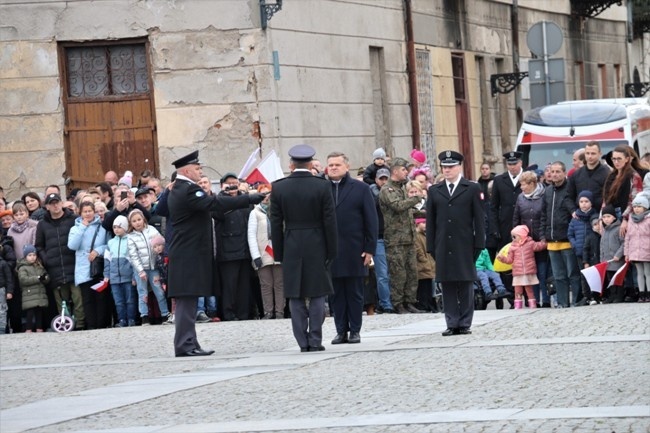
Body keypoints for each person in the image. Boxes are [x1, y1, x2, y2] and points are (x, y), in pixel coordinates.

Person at [167, 150, 264, 357]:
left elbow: (162, 210)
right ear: (186, 170)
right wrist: (249, 198)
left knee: (190, 301)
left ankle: (190, 342)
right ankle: (184, 344)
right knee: (186, 301)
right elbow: (215, 203)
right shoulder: (188, 190)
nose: (200, 172)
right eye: (197, 168)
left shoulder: (179, 189)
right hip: (188, 254)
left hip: (186, 253)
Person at [270, 144, 338, 352]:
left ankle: (302, 341)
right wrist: (331, 250)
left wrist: (279, 252)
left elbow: (275, 223)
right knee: (317, 293)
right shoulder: (322, 186)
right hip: (316, 242)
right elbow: (330, 221)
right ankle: (315, 340)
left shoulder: (279, 187)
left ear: (291, 164)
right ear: (310, 164)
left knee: (295, 294)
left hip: (291, 242)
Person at [426, 150, 485, 336]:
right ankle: (452, 322)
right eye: (444, 167)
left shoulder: (472, 188)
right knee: (447, 283)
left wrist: (479, 243)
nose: (447, 170)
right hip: (443, 243)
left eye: (451, 167)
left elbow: (479, 219)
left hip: (465, 242)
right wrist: (431, 245)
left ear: (459, 167)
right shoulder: (435, 190)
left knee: (465, 282)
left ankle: (465, 322)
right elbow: (431, 220)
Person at [327, 151, 377, 344]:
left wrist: (370, 248)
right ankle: (341, 330)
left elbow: (370, 220)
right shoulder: (323, 188)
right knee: (336, 294)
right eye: (330, 165)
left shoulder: (361, 188)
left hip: (356, 249)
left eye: (337, 165)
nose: (333, 168)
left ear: (347, 167)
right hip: (331, 251)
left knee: (355, 293)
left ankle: (355, 330)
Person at [379, 158, 423, 314]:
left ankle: (410, 301)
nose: (407, 172)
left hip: (409, 238)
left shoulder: (403, 188)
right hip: (395, 239)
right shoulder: (387, 190)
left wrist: (424, 211)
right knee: (398, 273)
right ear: (395, 171)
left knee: (412, 272)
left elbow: (408, 211)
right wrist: (416, 199)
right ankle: (398, 303)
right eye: (404, 170)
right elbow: (397, 206)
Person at [35, 193, 85, 330]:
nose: (55, 205)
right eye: (52, 203)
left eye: (57, 202)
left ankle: (80, 325)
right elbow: (39, 246)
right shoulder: (42, 224)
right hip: (54, 268)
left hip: (74, 266)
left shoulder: (73, 219)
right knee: (61, 300)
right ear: (47, 207)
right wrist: (46, 259)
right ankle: (65, 324)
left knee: (77, 298)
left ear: (62, 203)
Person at [214, 172, 254, 321]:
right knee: (229, 286)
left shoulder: (245, 200)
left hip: (244, 249)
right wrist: (224, 194)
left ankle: (244, 314)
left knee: (244, 285)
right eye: (228, 184)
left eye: (234, 183)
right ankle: (229, 314)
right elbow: (216, 214)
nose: (232, 186)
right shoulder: (218, 201)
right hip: (228, 251)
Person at [541, 161, 580, 308]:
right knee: (558, 275)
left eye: (558, 171)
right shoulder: (548, 191)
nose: (555, 174)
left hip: (567, 238)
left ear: (564, 173)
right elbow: (543, 214)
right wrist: (544, 233)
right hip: (551, 239)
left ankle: (576, 300)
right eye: (552, 171)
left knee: (572, 273)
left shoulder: (569, 189)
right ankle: (563, 302)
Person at [67, 201, 110, 329]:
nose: (87, 214)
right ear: (80, 213)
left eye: (90, 211)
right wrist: (82, 227)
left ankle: (102, 325)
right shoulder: (75, 228)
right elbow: (72, 245)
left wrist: (98, 251)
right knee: (87, 299)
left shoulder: (102, 227)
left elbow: (109, 244)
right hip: (83, 268)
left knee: (101, 298)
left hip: (98, 267)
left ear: (94, 212)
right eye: (85, 212)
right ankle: (91, 325)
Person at [126, 209, 170, 326]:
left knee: (159, 291)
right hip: (141, 270)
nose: (137, 223)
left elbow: (161, 241)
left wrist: (159, 252)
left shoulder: (152, 230)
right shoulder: (130, 237)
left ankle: (165, 314)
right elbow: (133, 255)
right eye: (134, 221)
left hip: (154, 267)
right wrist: (140, 271)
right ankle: (144, 316)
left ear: (143, 219)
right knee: (143, 293)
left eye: (139, 219)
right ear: (131, 223)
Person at [512, 170, 549, 307]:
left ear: (533, 183)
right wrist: (515, 237)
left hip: (540, 238)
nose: (522, 188)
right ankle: (534, 301)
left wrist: (544, 236)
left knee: (542, 271)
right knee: (529, 272)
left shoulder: (543, 195)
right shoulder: (520, 198)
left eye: (524, 184)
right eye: (521, 184)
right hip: (525, 241)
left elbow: (545, 216)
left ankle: (545, 299)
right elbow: (516, 218)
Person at [248, 184, 284, 319]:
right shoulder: (254, 212)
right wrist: (255, 255)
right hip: (263, 253)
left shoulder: (278, 210)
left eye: (268, 193)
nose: (266, 196)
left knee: (279, 284)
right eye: (262, 193)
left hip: (278, 252)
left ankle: (280, 311)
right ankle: (268, 311)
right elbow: (251, 235)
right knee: (266, 284)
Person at [490, 151, 524, 294]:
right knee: (507, 261)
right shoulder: (499, 180)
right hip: (505, 227)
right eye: (509, 164)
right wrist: (495, 228)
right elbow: (493, 207)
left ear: (520, 163)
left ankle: (529, 296)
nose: (512, 167)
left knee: (525, 260)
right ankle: (511, 295)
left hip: (524, 227)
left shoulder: (527, 177)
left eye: (514, 164)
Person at [602, 145, 649, 237]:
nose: (616, 162)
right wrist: (602, 217)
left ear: (627, 159)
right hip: (609, 216)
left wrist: (625, 219)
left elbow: (635, 200)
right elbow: (605, 199)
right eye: (614, 159)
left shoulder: (634, 176)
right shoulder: (611, 176)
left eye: (619, 159)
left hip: (625, 216)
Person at [497, 225, 547, 309]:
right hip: (517, 273)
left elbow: (539, 246)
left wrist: (545, 243)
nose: (512, 238)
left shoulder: (530, 243)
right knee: (518, 290)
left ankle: (532, 304)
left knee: (529, 289)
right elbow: (509, 260)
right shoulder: (512, 247)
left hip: (528, 271)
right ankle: (518, 305)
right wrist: (502, 258)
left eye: (514, 236)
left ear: (521, 236)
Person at [103, 215, 136, 327]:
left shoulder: (130, 240)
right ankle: (122, 319)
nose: (116, 229)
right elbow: (107, 260)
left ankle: (131, 319)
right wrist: (106, 274)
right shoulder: (111, 243)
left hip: (128, 276)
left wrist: (134, 276)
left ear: (125, 228)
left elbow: (134, 260)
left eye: (119, 227)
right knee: (118, 302)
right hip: (114, 278)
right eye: (114, 227)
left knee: (130, 300)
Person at [369, 167, 393, 313]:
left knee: (393, 273)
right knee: (382, 274)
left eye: (386, 179)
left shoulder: (393, 192)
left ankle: (394, 301)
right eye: (381, 179)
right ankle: (386, 304)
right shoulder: (372, 192)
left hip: (392, 237)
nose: (384, 182)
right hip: (378, 237)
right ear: (376, 180)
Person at [567, 191, 597, 306]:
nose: (584, 204)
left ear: (591, 203)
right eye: (581, 202)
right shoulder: (575, 218)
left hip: (592, 252)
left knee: (594, 274)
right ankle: (586, 296)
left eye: (586, 201)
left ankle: (595, 295)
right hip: (580, 251)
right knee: (583, 275)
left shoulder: (594, 216)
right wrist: (574, 245)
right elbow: (570, 234)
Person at [567, 141, 610, 211]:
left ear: (600, 154)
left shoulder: (607, 173)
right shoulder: (576, 174)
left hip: (600, 215)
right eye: (587, 153)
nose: (590, 156)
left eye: (593, 153)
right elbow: (568, 197)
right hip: (580, 216)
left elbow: (611, 196)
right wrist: (573, 211)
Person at [16, 244, 49, 332]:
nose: (32, 257)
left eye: (34, 255)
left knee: (39, 311)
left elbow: (46, 278)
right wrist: (38, 278)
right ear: (25, 256)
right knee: (30, 312)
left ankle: (39, 328)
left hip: (39, 293)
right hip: (29, 294)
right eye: (30, 255)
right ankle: (28, 329)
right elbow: (23, 280)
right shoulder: (22, 267)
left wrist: (45, 278)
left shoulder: (39, 266)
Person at [625, 195, 650, 302]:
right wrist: (627, 253)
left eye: (639, 206)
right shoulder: (631, 220)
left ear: (645, 207)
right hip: (635, 251)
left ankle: (648, 293)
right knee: (639, 272)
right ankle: (641, 293)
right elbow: (627, 237)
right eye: (635, 206)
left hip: (647, 250)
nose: (636, 208)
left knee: (647, 272)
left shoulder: (648, 219)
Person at [600, 205, 626, 303]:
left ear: (614, 217)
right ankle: (612, 295)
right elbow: (602, 246)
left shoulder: (619, 229)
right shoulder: (605, 231)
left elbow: (624, 243)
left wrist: (618, 255)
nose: (606, 219)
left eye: (608, 216)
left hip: (616, 260)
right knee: (610, 279)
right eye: (604, 217)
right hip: (607, 261)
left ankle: (619, 296)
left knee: (618, 279)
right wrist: (602, 259)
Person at [413, 217, 436, 312]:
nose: (425, 225)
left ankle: (429, 305)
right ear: (417, 224)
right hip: (423, 266)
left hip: (428, 265)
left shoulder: (424, 235)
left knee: (429, 287)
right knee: (423, 287)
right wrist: (425, 261)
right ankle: (423, 305)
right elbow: (418, 251)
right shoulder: (416, 236)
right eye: (423, 222)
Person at [582, 215, 602, 304]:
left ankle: (600, 296)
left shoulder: (603, 235)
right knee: (593, 280)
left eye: (599, 224)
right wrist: (586, 262)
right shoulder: (590, 237)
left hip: (602, 261)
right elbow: (585, 249)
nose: (597, 226)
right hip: (593, 261)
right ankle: (591, 297)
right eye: (595, 224)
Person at [0, 245, 14, 334]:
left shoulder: (3, 263)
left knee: (2, 310)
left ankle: (1, 329)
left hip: (1, 289)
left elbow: (9, 279)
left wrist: (9, 291)